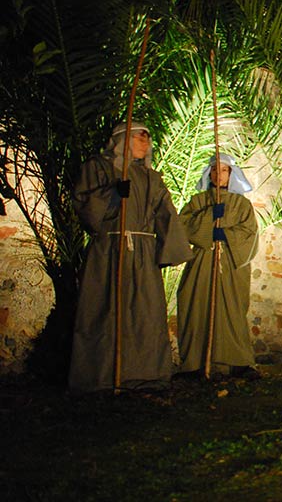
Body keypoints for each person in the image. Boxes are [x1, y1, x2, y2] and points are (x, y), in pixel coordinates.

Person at [69, 121, 192, 393]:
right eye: (140, 137)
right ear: (122, 139)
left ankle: (144, 373)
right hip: (109, 252)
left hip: (143, 255)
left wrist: (169, 251)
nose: (145, 143)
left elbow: (166, 214)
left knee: (144, 313)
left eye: (148, 138)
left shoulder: (152, 178)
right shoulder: (98, 167)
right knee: (105, 310)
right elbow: (84, 205)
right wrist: (112, 194)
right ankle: (101, 375)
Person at [176, 153, 259, 379]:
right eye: (214, 170)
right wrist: (209, 217)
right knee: (196, 304)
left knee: (231, 309)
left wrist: (222, 234)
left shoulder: (242, 204)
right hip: (203, 260)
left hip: (231, 263)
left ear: (231, 174)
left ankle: (236, 361)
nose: (217, 174)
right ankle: (195, 362)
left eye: (223, 170)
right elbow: (182, 225)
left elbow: (249, 233)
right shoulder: (198, 202)